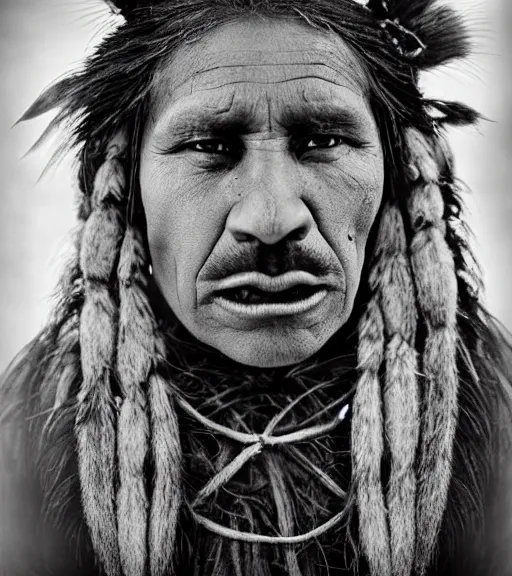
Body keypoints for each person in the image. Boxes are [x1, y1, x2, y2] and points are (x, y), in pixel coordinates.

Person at [1, 1, 511, 575]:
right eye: (210, 146)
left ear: (396, 174)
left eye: (323, 141)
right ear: (123, 184)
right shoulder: (23, 451)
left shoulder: (499, 432)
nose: (271, 218)